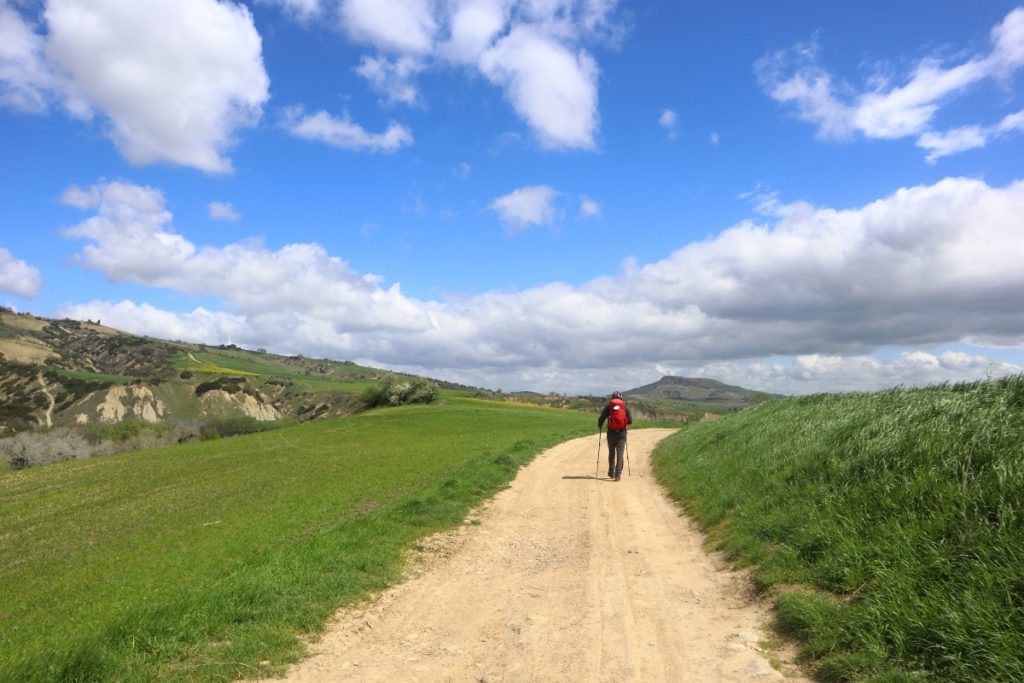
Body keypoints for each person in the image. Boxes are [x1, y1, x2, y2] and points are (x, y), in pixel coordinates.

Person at [597, 391, 632, 481]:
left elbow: (601, 418)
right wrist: (625, 423)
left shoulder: (609, 407)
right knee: (620, 453)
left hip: (611, 433)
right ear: (621, 398)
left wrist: (600, 425)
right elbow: (630, 421)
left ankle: (611, 472)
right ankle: (618, 475)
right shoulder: (624, 407)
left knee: (611, 452)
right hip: (622, 433)